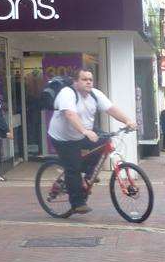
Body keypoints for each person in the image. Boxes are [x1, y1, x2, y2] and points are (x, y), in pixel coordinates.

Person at [48, 68, 136, 215]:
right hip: (64, 138)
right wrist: (85, 131)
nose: (89, 82)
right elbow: (70, 114)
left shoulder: (95, 94)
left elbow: (112, 109)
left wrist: (127, 120)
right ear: (75, 81)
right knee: (73, 168)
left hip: (84, 132)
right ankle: (77, 203)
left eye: (90, 79)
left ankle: (88, 177)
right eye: (84, 79)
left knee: (104, 142)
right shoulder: (67, 94)